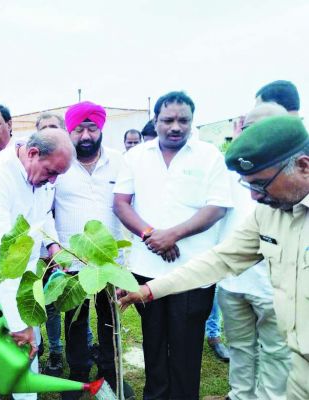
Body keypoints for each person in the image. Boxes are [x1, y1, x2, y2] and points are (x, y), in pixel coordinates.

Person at [119, 115, 309, 400]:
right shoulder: (268, 214)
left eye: (261, 184)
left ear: (303, 167)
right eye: (249, 187)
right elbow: (219, 260)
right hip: (296, 366)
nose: (255, 198)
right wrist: (148, 290)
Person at [113, 91, 232, 400]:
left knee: (186, 345)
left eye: (184, 120)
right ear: (156, 120)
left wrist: (173, 235)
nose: (175, 127)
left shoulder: (209, 155)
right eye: (168, 120)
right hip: (146, 268)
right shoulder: (135, 156)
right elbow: (122, 204)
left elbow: (217, 207)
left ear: (193, 121)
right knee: (153, 343)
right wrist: (152, 234)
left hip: (194, 270)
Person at [0, 128, 74, 399]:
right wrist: (18, 323)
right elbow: (0, 258)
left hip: (24, 280)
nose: (52, 180)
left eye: (57, 176)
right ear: (31, 153)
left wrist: (53, 244)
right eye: (51, 173)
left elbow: (42, 214)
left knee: (26, 358)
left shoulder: (43, 173)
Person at [53, 101, 133, 400]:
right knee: (74, 320)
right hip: (69, 260)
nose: (85, 136)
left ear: (101, 129)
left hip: (109, 261)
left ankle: (110, 374)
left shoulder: (119, 162)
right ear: (68, 131)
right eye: (78, 129)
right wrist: (54, 250)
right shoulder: (60, 162)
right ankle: (77, 377)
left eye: (91, 128)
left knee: (108, 318)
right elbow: (46, 207)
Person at [211, 104, 291, 400]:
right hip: (232, 282)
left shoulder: (292, 175)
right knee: (241, 350)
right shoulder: (227, 167)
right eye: (248, 128)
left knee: (275, 354)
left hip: (273, 287)